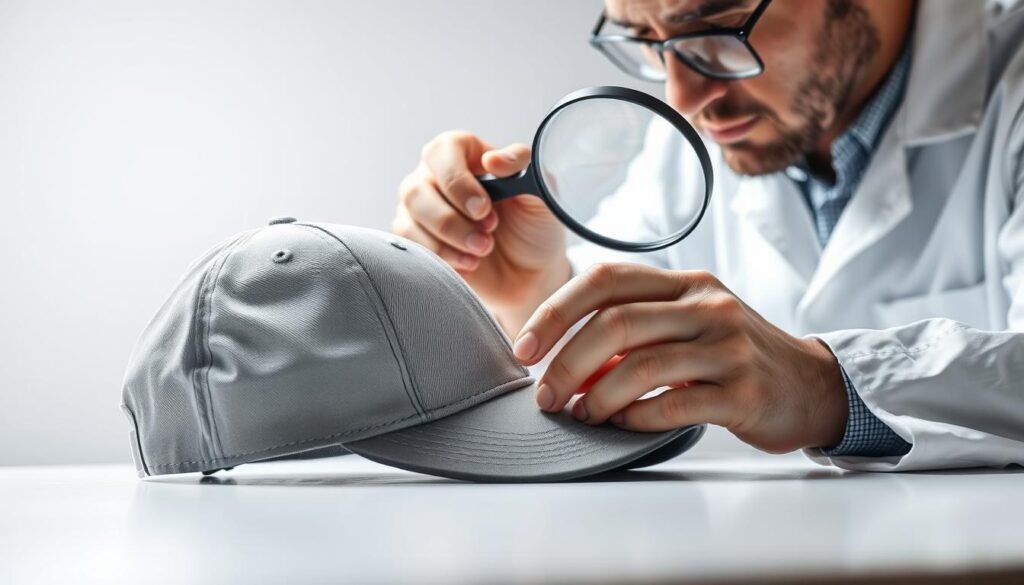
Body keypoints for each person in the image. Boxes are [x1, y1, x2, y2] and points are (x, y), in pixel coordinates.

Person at [391, 0, 1024, 471]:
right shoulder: (693, 153)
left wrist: (822, 386)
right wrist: (532, 289)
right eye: (647, 40)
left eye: (718, 26)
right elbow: (615, 346)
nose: (683, 95)